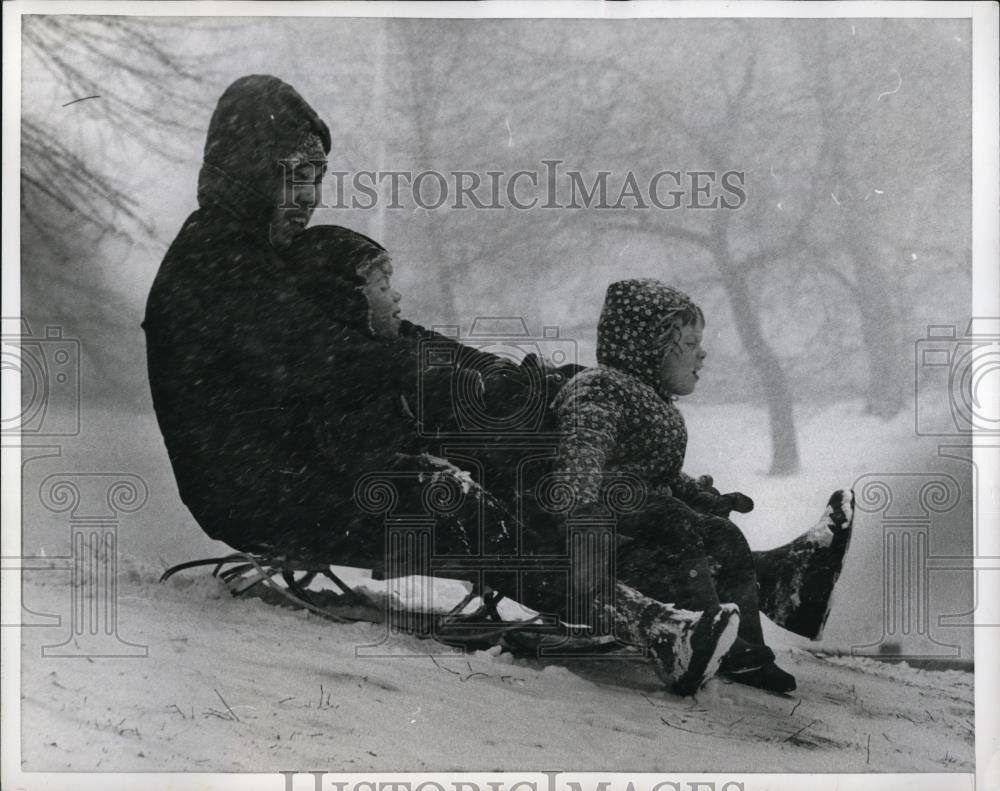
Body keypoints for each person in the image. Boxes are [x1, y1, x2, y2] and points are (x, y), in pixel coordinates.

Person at [543, 279, 856, 694]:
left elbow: (663, 475)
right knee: (674, 517)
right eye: (690, 345)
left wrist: (705, 498)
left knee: (723, 533)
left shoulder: (654, 402)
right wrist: (583, 518)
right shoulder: (602, 388)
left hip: (651, 522)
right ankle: (704, 629)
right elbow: (583, 454)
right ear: (647, 349)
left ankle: (745, 646)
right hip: (611, 531)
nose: (702, 354)